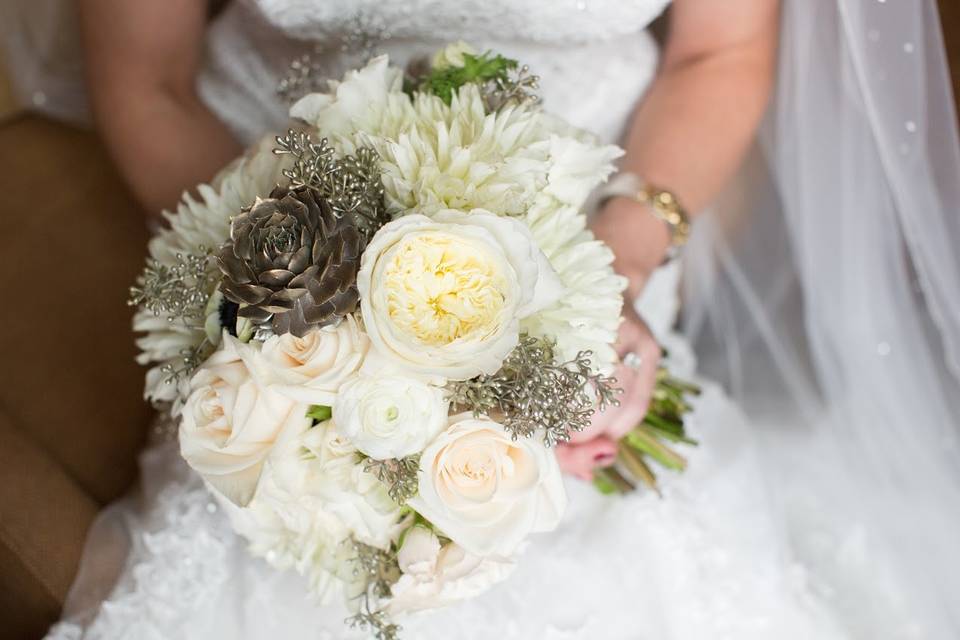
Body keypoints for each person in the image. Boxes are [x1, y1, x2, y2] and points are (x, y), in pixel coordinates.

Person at [2, 0, 958, 638]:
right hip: (279, 252)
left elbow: (724, 49)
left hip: (597, 240)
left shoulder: (605, 271)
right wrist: (293, 275)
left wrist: (612, 274)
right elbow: (149, 80)